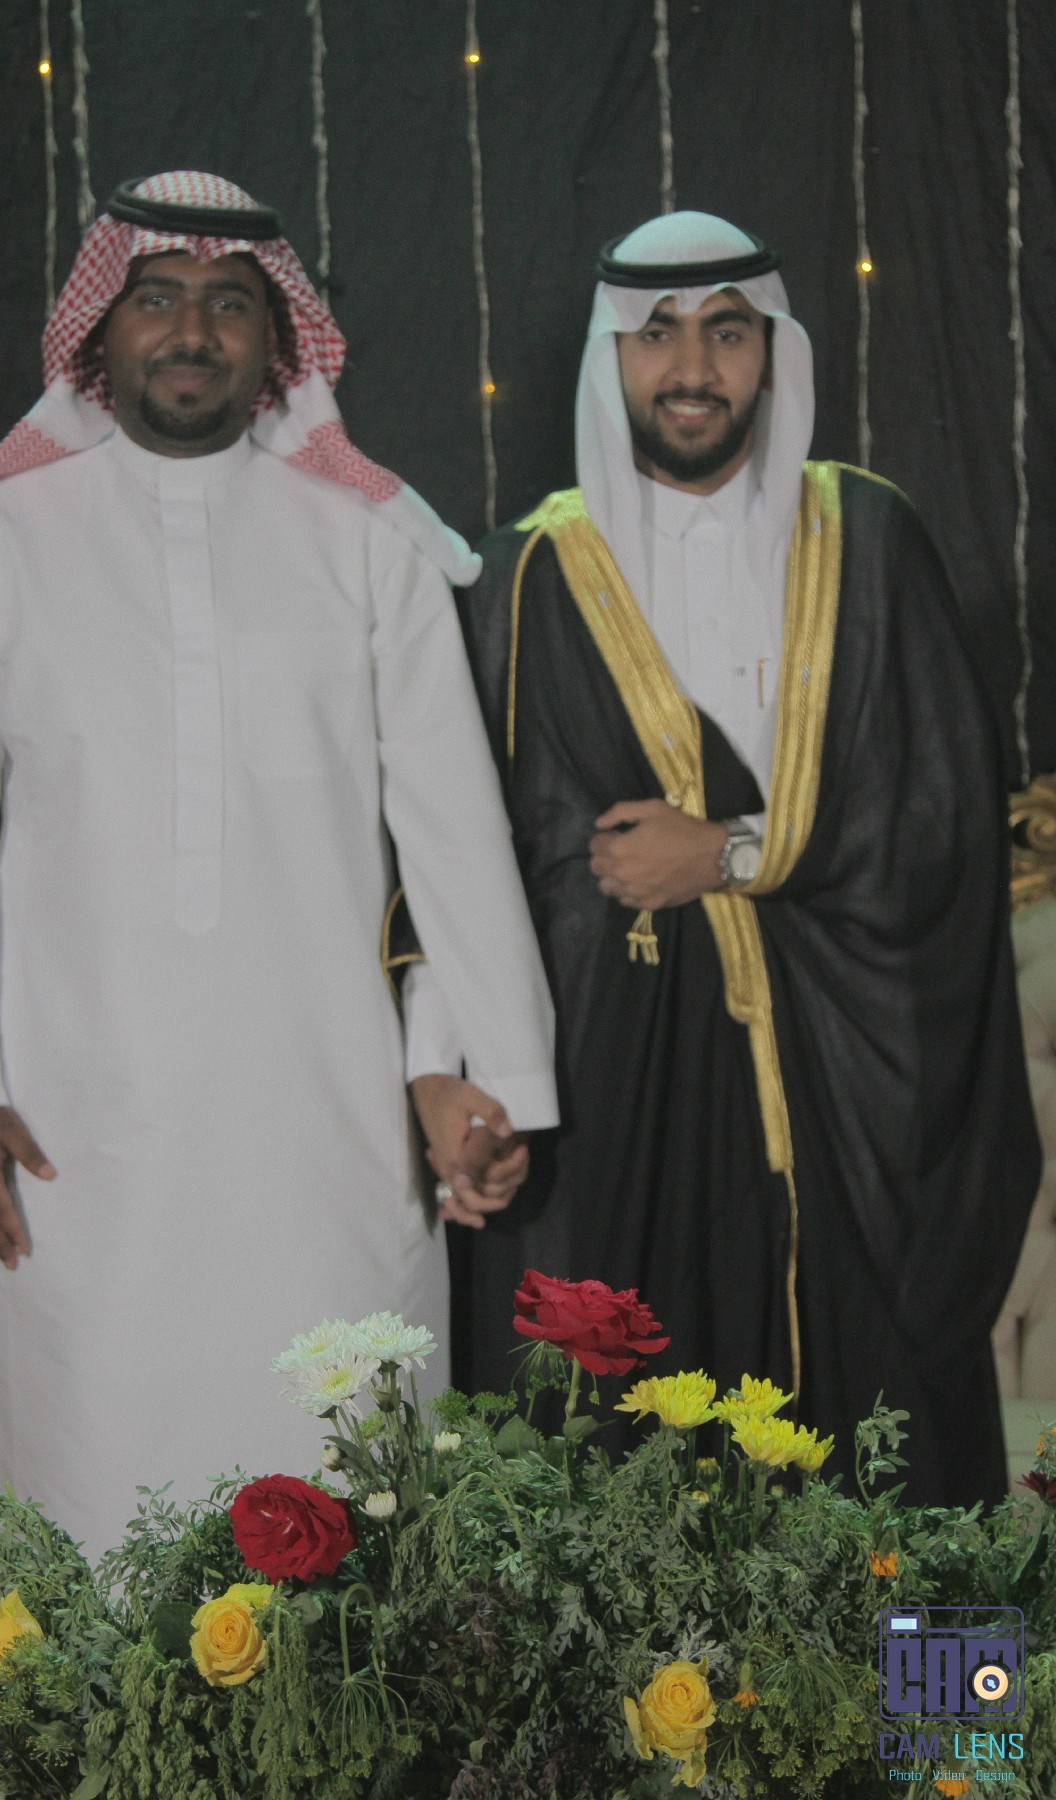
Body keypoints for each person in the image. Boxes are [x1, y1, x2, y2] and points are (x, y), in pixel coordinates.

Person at [0, 171, 557, 1557]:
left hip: (324, 1123)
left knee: (336, 1473)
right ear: (98, 329)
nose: (192, 331)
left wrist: (495, 1073)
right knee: (83, 1484)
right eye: (159, 298)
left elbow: (453, 830)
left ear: (277, 340)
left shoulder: (368, 543)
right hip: (69, 1125)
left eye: (230, 304)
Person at [404, 210, 1039, 1506]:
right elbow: (464, 850)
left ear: (772, 352)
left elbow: (945, 819)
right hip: (607, 1104)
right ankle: (655, 1663)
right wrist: (442, 1070)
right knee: (611, 1457)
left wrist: (734, 852)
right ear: (611, 358)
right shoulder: (527, 576)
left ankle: (916, 1660)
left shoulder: (868, 541)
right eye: (657, 335)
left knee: (882, 1457)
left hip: (847, 1091)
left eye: (728, 333)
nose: (692, 367)